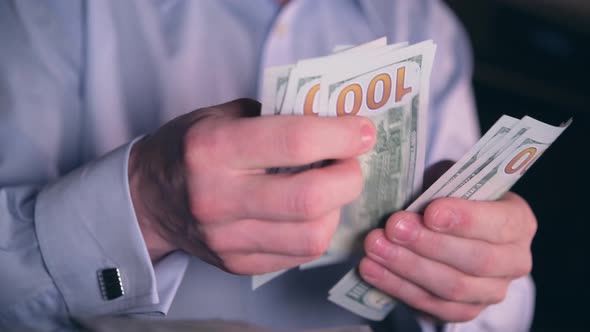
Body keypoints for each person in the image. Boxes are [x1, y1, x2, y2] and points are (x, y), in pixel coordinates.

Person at [0, 0, 536, 331]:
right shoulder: (49, 9)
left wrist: (473, 271)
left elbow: (496, 317)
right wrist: (144, 208)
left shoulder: (422, 21)